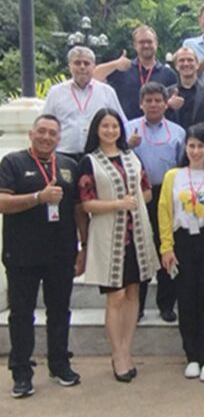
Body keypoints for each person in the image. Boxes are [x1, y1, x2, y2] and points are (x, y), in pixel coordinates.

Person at [0, 114, 82, 397]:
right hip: (22, 254)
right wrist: (38, 197)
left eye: (52, 133)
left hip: (61, 253)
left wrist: (81, 247)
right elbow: (2, 202)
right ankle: (21, 372)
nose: (47, 137)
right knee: (22, 314)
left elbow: (77, 210)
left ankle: (59, 364)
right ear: (31, 133)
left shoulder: (69, 166)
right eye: (42, 132)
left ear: (59, 138)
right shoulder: (13, 163)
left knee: (59, 311)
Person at [79, 109, 158, 381]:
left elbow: (146, 191)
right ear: (97, 129)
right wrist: (118, 204)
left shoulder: (131, 156)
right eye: (105, 126)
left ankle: (127, 348)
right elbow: (86, 202)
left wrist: (133, 199)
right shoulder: (90, 162)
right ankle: (117, 353)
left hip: (136, 235)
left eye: (114, 126)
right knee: (116, 296)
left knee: (134, 293)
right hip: (109, 235)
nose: (110, 131)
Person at [158, 124, 204, 381]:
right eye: (191, 145)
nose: (196, 151)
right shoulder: (173, 176)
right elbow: (164, 214)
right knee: (187, 299)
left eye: (201, 146)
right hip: (182, 242)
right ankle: (192, 356)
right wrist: (166, 248)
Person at [126, 82, 186, 323]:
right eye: (148, 100)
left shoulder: (178, 131)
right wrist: (127, 145)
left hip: (167, 193)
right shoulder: (129, 129)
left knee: (167, 247)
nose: (153, 105)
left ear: (165, 103)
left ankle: (166, 303)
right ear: (141, 103)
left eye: (157, 100)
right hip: (139, 193)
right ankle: (137, 305)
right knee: (140, 248)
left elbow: (182, 163)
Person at [42, 46, 126, 157]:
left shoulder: (107, 92)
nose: (82, 67)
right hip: (64, 154)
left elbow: (121, 122)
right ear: (70, 66)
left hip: (98, 155)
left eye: (86, 63)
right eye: (77, 63)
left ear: (94, 67)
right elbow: (45, 124)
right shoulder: (56, 92)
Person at [94, 25, 178, 120]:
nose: (146, 45)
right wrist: (115, 64)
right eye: (142, 42)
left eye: (149, 42)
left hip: (158, 128)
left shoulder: (168, 74)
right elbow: (93, 77)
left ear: (156, 43)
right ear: (135, 45)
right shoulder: (123, 69)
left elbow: (174, 100)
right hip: (127, 127)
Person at [166, 46, 204, 131]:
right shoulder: (166, 94)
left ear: (197, 64)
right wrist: (167, 105)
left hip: (200, 142)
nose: (186, 64)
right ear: (176, 66)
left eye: (190, 60)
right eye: (181, 60)